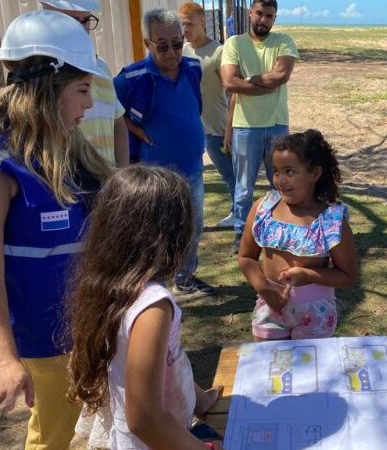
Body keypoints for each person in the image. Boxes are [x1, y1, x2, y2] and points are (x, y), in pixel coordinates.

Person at [0, 11, 111, 448]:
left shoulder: (61, 145)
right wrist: (3, 360)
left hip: (90, 327)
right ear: (47, 86)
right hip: (46, 341)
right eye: (82, 89)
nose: (89, 104)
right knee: (56, 439)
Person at [67, 166, 222, 450]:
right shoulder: (153, 307)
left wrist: (199, 398)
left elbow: (167, 359)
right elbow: (144, 419)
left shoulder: (109, 284)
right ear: (174, 233)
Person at [114, 8, 215, 297]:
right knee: (156, 235)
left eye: (177, 43)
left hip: (193, 170)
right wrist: (133, 130)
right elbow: (112, 112)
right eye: (163, 45)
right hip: (155, 178)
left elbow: (193, 107)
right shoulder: (131, 78)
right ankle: (151, 290)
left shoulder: (193, 68)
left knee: (194, 229)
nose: (172, 52)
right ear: (148, 44)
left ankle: (185, 279)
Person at [237, 130, 357, 341]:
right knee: (269, 368)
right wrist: (264, 288)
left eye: (290, 172)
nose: (280, 180)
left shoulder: (330, 220)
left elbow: (348, 276)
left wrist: (308, 275)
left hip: (315, 314)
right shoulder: (263, 209)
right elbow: (246, 257)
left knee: (311, 372)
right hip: (270, 310)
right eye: (276, 171)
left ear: (315, 174)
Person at [221, 0, 299, 254]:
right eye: (259, 14)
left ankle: (281, 228)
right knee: (243, 187)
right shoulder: (234, 43)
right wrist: (264, 85)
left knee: (282, 183)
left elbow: (281, 76)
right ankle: (241, 233)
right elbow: (229, 83)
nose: (263, 20)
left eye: (269, 15)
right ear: (250, 13)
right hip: (246, 126)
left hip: (277, 124)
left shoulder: (283, 41)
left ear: (274, 18)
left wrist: (250, 81)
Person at [41, 0, 129, 167]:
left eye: (86, 20)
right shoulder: (42, 73)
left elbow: (118, 123)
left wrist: (122, 173)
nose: (82, 29)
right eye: (74, 21)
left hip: (108, 185)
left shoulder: (101, 66)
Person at [180, 2, 237, 228]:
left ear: (203, 22)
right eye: (182, 25)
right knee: (192, 175)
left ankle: (237, 212)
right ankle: (191, 218)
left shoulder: (219, 52)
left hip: (216, 127)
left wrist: (229, 129)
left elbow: (233, 91)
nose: (185, 29)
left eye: (190, 24)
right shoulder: (183, 51)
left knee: (228, 174)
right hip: (192, 128)